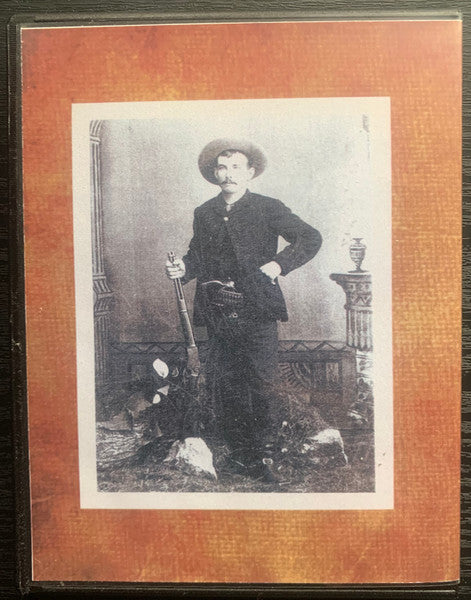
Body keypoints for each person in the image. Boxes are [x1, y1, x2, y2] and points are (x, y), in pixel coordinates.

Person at [166, 138, 322, 482]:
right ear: (214, 173)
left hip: (257, 309)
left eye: (236, 167)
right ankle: (240, 455)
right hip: (217, 309)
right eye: (222, 167)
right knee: (228, 383)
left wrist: (279, 264)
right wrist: (183, 268)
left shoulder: (268, 208)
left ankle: (266, 455)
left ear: (250, 172)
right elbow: (197, 256)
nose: (229, 174)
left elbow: (310, 238)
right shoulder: (204, 213)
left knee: (262, 383)